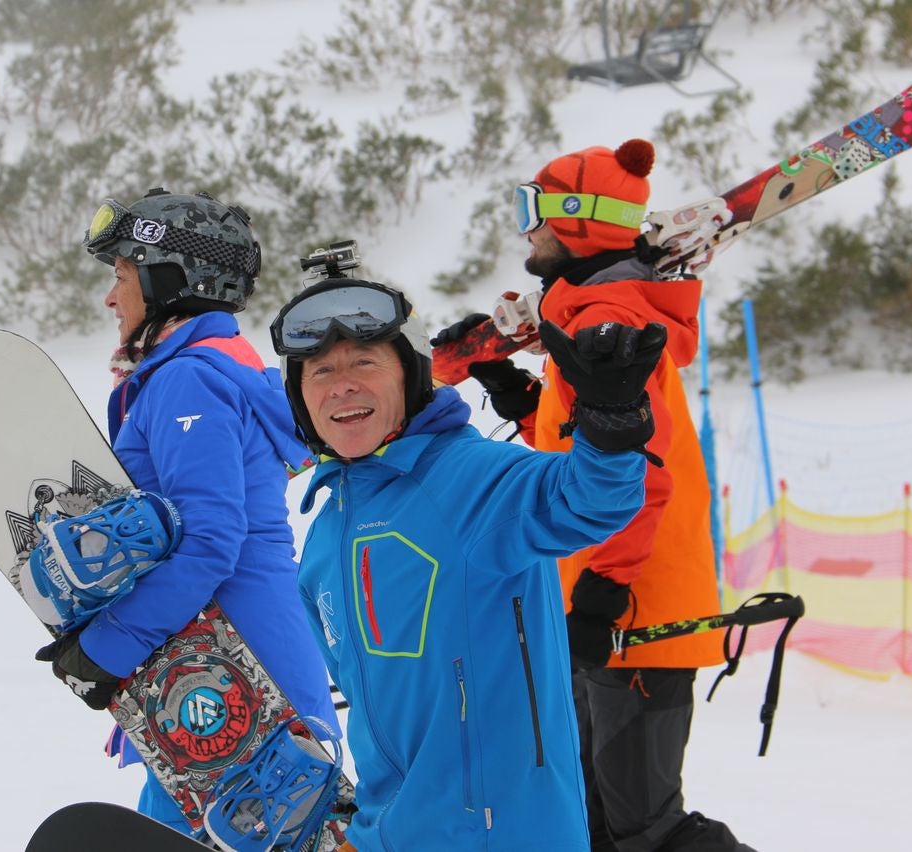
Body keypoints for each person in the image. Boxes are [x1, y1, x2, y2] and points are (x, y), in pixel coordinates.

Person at [269, 274, 667, 851]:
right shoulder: (327, 531)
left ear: (410, 374)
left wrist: (612, 424)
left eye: (364, 362)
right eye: (322, 372)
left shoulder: (472, 478)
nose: (342, 387)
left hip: (498, 834)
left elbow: (588, 499)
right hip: (390, 834)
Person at [434, 140, 754, 851]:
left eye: (534, 211)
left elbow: (646, 472)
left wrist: (604, 592)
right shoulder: (585, 316)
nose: (526, 229)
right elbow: (584, 457)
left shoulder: (606, 320)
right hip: (597, 606)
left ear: (577, 220)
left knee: (648, 827)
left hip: (630, 610)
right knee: (591, 821)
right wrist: (518, 397)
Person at [34, 187, 338, 834]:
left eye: (121, 277)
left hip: (237, 683)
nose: (111, 298)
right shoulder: (209, 367)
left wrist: (111, 647)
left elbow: (209, 542)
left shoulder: (186, 378)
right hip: (222, 670)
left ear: (171, 279)